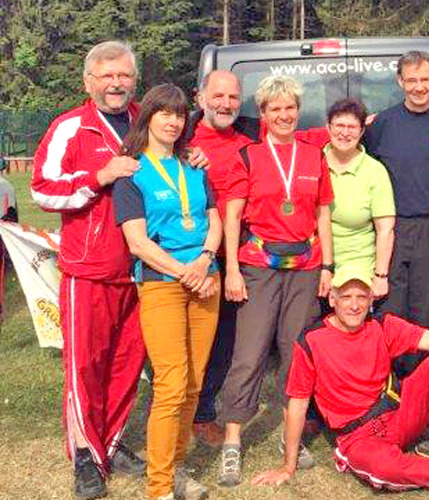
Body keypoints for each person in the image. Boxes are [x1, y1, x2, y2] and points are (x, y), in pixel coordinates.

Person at [250, 269, 429, 494]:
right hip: (358, 437)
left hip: (397, 415)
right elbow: (297, 404)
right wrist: (288, 466)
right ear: (332, 299)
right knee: (384, 470)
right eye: (346, 297)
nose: (354, 305)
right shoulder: (310, 341)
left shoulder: (381, 325)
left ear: (370, 299)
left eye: (361, 297)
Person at [30, 40, 148, 499]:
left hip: (142, 267)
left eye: (124, 75)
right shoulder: (70, 128)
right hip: (89, 268)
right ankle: (84, 455)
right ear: (89, 82)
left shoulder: (146, 120)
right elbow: (42, 190)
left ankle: (112, 443)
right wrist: (98, 177)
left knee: (127, 365)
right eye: (107, 76)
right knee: (86, 366)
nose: (117, 83)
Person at [219, 75, 334, 486]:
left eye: (290, 109)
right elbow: (232, 216)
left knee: (296, 353)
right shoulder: (247, 156)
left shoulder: (313, 155)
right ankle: (232, 440)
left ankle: (293, 436)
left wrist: (328, 267)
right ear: (264, 115)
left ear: (297, 112)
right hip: (258, 265)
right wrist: (231, 268)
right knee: (249, 353)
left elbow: (323, 215)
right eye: (275, 109)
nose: (284, 115)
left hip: (305, 267)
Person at [113, 83, 222, 500]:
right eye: (165, 114)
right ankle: (157, 489)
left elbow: (212, 218)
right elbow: (137, 243)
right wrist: (184, 271)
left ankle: (175, 468)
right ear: (149, 118)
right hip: (162, 284)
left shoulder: (194, 164)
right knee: (172, 383)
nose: (174, 121)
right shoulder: (131, 170)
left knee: (193, 384)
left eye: (179, 115)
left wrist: (205, 257)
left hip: (204, 277)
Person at [186, 70, 255, 446]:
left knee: (228, 339)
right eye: (218, 96)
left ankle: (203, 411)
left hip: (243, 254)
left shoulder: (249, 140)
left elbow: (299, 137)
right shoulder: (186, 141)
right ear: (200, 99)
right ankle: (194, 413)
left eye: (232, 97)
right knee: (200, 340)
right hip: (202, 257)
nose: (226, 104)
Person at [365, 50, 429, 327]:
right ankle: (390, 369)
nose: (419, 87)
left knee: (424, 307)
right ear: (400, 82)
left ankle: (420, 369)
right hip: (392, 228)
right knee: (389, 308)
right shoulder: (382, 124)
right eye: (412, 80)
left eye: (425, 79)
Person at [324, 98, 395, 297]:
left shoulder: (375, 171)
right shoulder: (313, 163)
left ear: (362, 131)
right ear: (328, 127)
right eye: (339, 125)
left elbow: (385, 229)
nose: (345, 133)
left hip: (359, 270)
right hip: (316, 267)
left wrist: (380, 277)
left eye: (352, 127)